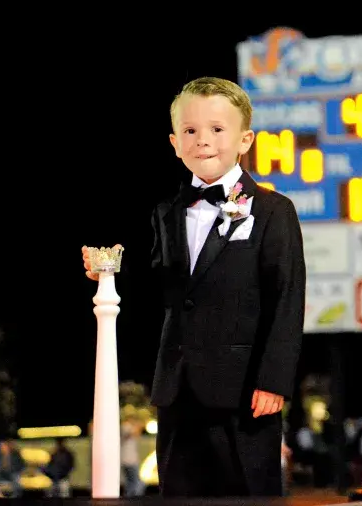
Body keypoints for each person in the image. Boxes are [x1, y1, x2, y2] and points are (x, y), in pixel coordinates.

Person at [82, 77, 306, 497]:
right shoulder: (166, 212)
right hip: (177, 390)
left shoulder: (273, 210)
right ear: (174, 143)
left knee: (247, 494)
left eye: (217, 129)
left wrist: (274, 379)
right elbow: (161, 285)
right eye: (190, 130)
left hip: (244, 393)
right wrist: (110, 272)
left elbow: (287, 297)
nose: (202, 140)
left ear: (244, 140)